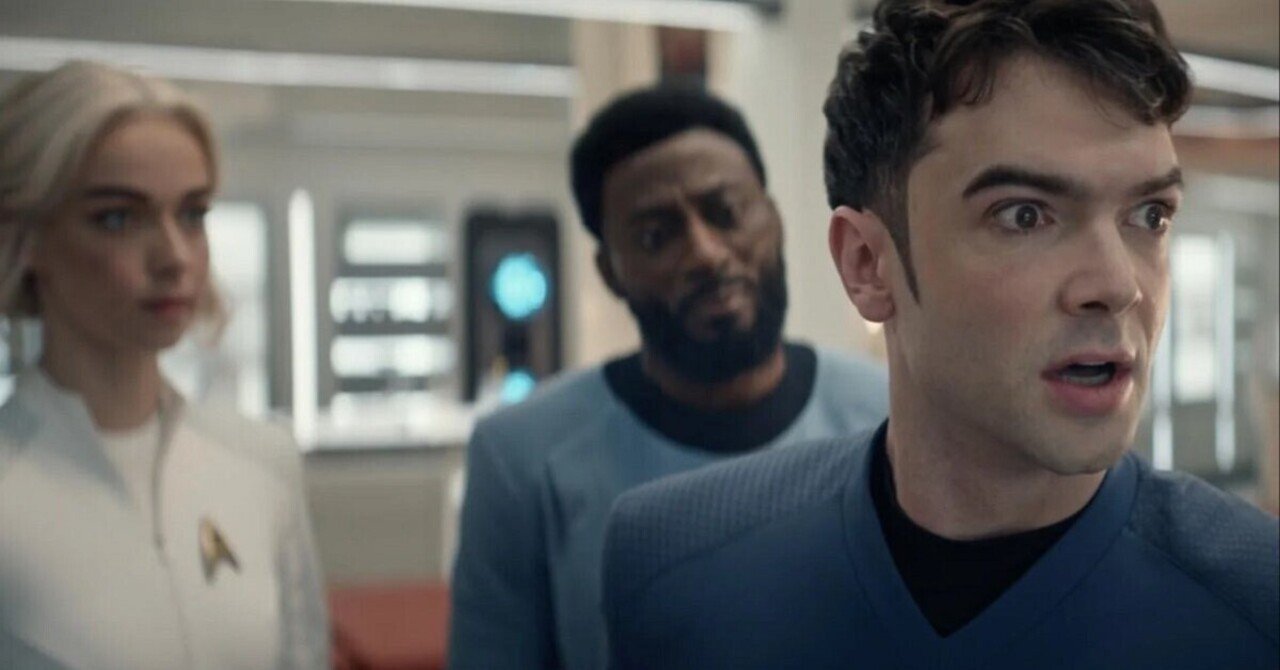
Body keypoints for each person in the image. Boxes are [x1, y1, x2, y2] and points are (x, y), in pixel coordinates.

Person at [602, 1, 1280, 668]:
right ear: (867, 264)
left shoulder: (1256, 603)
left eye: (1150, 215)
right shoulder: (676, 567)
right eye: (1024, 215)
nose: (1119, 283)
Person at [447, 87, 888, 670]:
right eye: (657, 235)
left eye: (725, 213)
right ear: (611, 272)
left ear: (775, 219)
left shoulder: (889, 415)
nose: (705, 253)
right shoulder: (522, 460)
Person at [0, 61, 329, 670]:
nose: (175, 257)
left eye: (193, 214)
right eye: (118, 217)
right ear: (29, 236)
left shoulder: (263, 462)